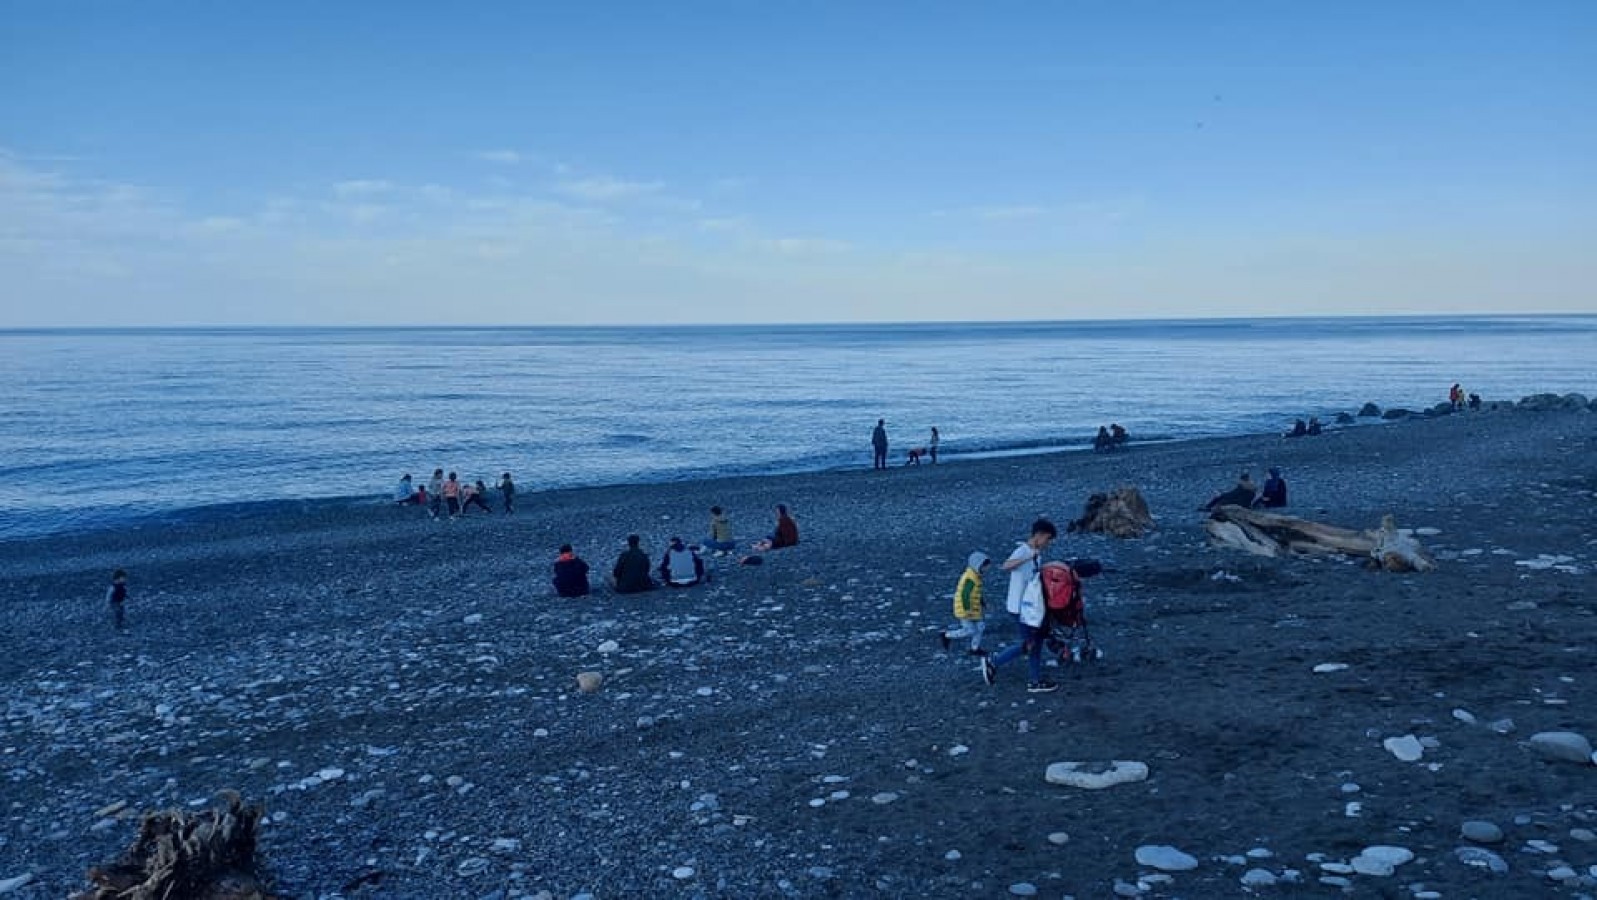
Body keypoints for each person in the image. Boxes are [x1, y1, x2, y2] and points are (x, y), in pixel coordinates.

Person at [981, 519, 1060, 693]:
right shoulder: (1023, 550)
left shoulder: (1037, 554)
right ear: (1038, 535)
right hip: (1019, 608)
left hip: (1030, 608)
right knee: (1030, 644)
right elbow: (1006, 565)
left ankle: (1034, 680)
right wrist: (1027, 557)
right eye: (1047, 539)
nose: (1048, 544)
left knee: (1036, 642)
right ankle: (993, 662)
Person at [940, 552, 990, 656]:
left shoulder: (975, 576)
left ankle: (975, 648)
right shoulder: (970, 578)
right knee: (970, 630)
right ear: (978, 565)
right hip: (965, 610)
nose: (987, 569)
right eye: (985, 567)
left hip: (974, 608)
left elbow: (975, 593)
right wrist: (967, 610)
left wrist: (982, 602)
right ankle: (947, 635)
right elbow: (965, 595)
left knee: (980, 627)